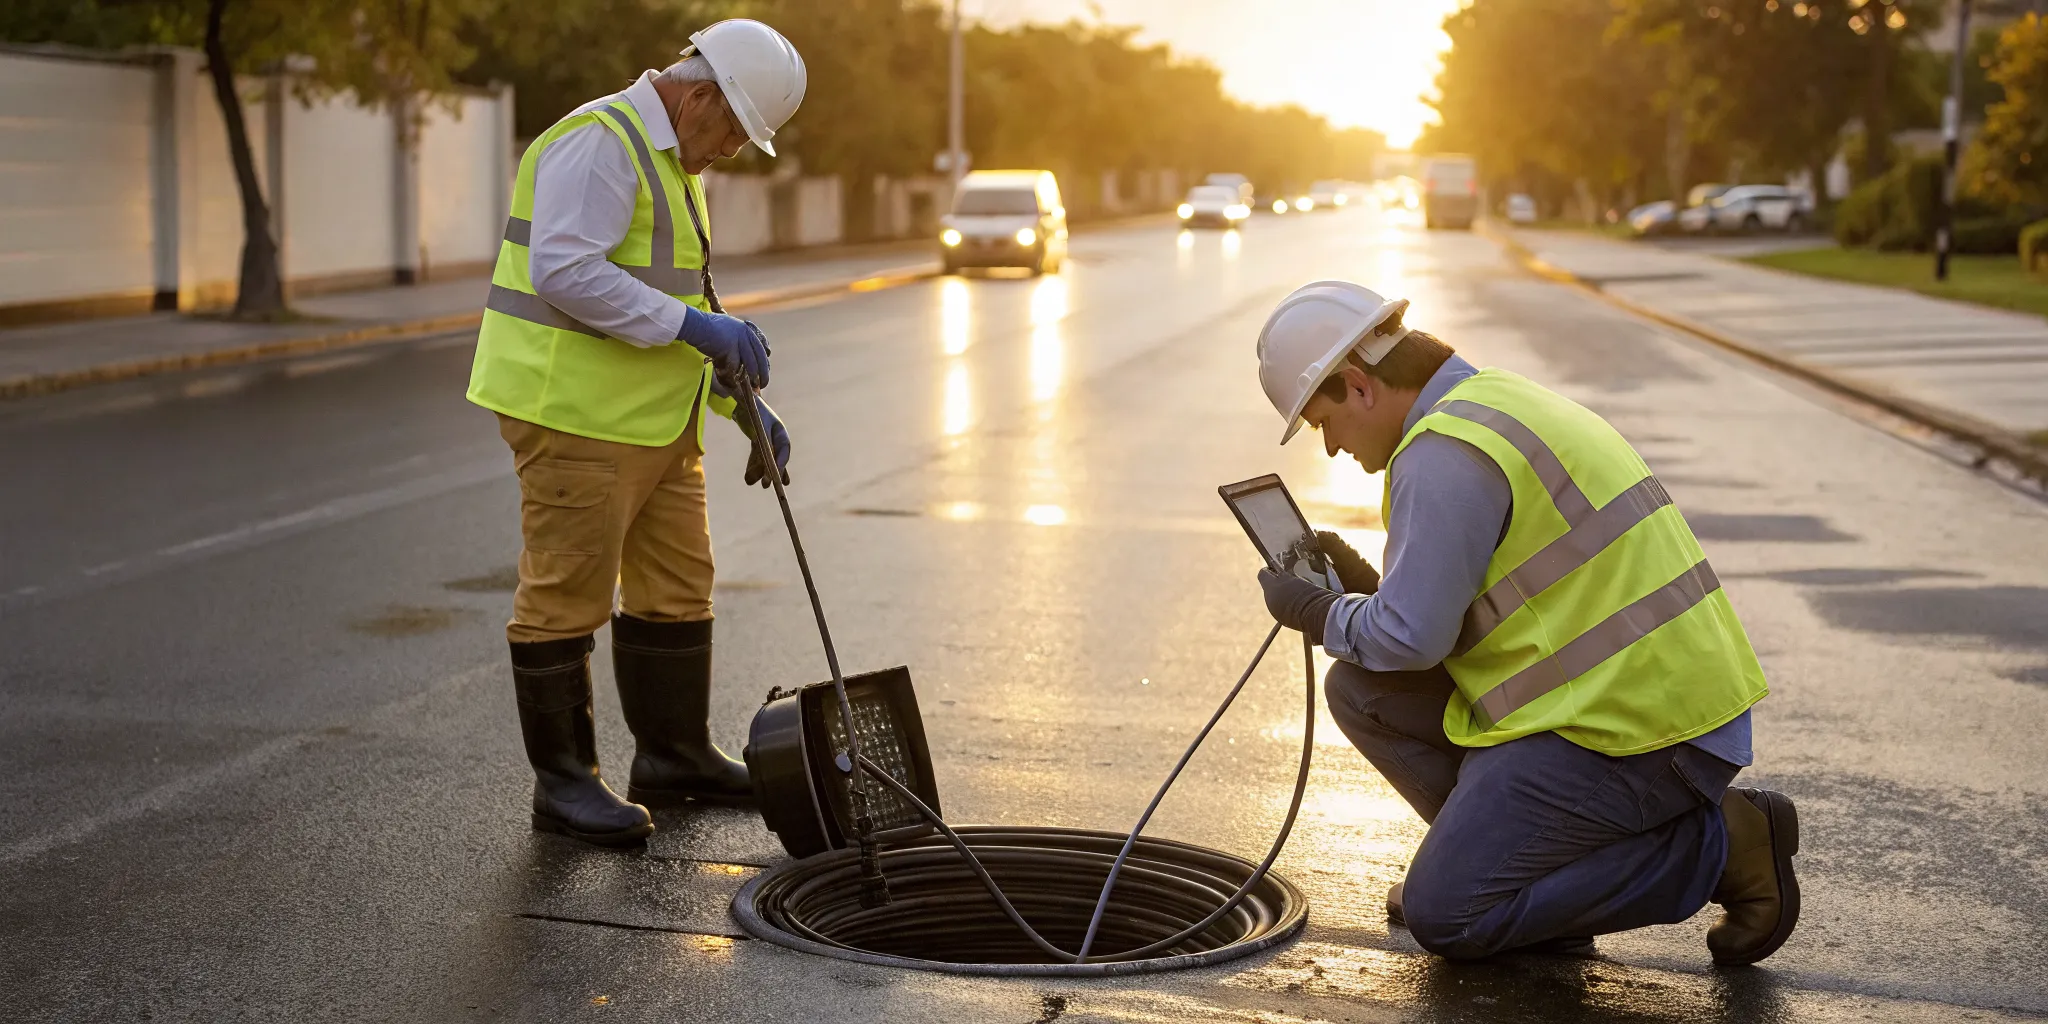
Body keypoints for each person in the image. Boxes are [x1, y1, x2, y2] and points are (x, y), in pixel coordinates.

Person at [1251, 281, 1799, 964]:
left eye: (1322, 422)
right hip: (1624, 703)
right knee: (1360, 689)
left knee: (1447, 916)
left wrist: (1321, 610)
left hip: (1647, 734)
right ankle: (1531, 886)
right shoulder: (1495, 402)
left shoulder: (1441, 453)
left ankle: (1724, 846)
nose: (1329, 447)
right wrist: (1368, 592)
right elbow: (1470, 612)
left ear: (1358, 386)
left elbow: (1411, 639)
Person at [465, 20, 807, 847]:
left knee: (678, 587)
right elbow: (566, 272)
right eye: (733, 130)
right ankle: (565, 785)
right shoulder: (601, 143)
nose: (730, 150)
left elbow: (677, 292)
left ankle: (674, 756)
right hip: (575, 414)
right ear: (700, 98)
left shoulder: (673, 160)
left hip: (657, 420)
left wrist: (740, 405)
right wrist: (701, 329)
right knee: (566, 594)